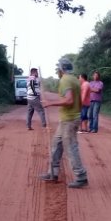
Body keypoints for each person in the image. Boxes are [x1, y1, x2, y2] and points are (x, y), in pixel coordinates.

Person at [39, 58, 88, 188]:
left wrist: (50, 103)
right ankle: (53, 173)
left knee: (71, 148)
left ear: (61, 69)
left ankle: (81, 176)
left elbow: (69, 100)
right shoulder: (75, 80)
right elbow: (78, 101)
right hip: (68, 119)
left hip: (69, 120)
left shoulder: (65, 80)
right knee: (56, 144)